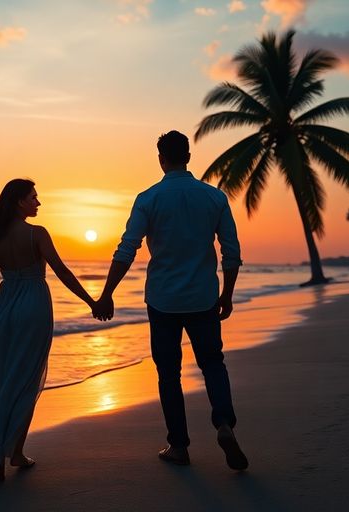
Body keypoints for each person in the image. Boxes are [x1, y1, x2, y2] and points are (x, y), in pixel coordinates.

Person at [92, 130, 248, 470]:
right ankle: (223, 423)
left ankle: (179, 446)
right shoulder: (214, 198)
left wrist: (107, 294)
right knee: (212, 363)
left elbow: (127, 248)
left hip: (163, 300)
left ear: (161, 159)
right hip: (204, 297)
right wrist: (227, 294)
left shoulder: (148, 198)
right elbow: (231, 252)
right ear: (189, 157)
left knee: (169, 373)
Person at [0, 178, 97, 482]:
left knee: (1, 381)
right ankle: (16, 452)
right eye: (34, 198)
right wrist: (91, 301)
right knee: (26, 380)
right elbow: (61, 271)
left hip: (4, 306)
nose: (38, 203)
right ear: (19, 202)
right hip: (33, 305)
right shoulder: (37, 233)